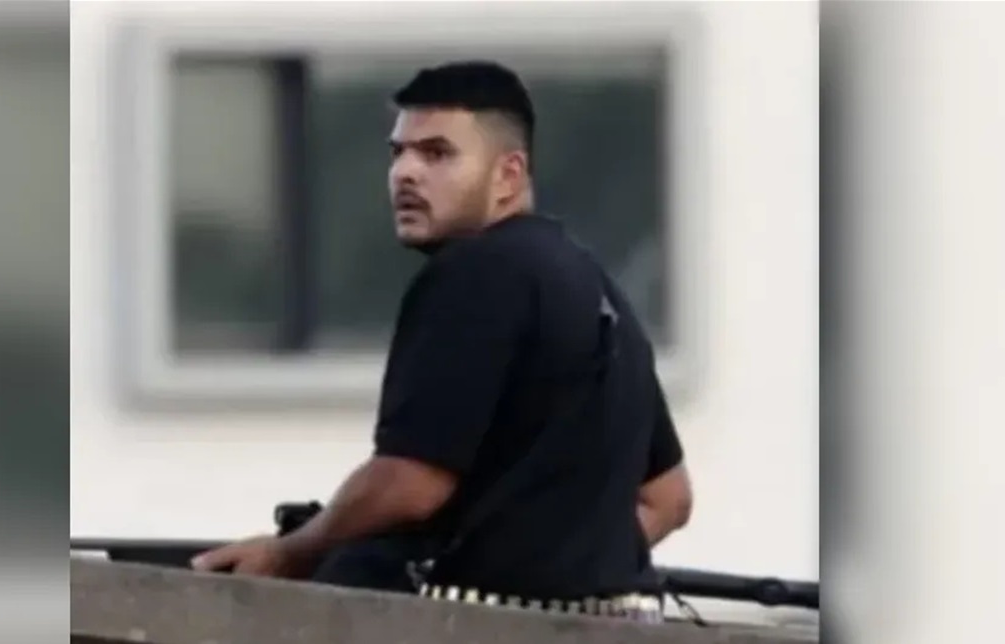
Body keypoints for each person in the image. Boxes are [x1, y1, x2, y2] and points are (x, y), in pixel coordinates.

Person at [191, 61, 693, 623]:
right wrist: (569, 570)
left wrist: (291, 552)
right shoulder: (597, 287)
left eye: (436, 154)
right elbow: (667, 498)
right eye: (398, 153)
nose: (405, 173)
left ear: (508, 175)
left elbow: (412, 483)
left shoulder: (476, 272)